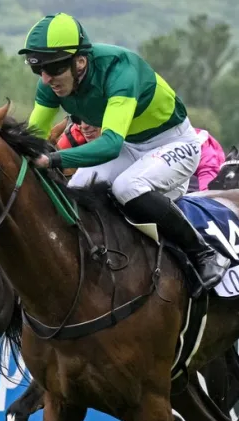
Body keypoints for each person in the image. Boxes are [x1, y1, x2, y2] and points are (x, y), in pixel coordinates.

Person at [20, 12, 228, 294]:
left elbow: (110, 145)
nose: (46, 79)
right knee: (78, 190)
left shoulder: (120, 69)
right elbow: (35, 135)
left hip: (174, 143)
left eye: (52, 68)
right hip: (132, 146)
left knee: (128, 187)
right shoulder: (52, 82)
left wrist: (54, 159)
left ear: (79, 61)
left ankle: (204, 254)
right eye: (38, 70)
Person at [56, 118, 225, 196]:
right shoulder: (74, 134)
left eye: (93, 120)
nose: (85, 126)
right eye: (79, 119)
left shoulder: (202, 143)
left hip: (182, 167)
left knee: (126, 189)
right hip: (133, 157)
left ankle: (198, 248)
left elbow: (209, 193)